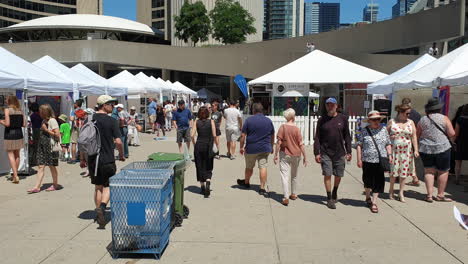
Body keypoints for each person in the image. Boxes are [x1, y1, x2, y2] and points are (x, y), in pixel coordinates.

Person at [80, 95, 124, 228]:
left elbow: (84, 139)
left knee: (98, 187)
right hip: (107, 159)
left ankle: (99, 212)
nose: (112, 106)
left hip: (93, 159)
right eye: (111, 104)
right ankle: (103, 207)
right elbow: (118, 141)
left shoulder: (89, 118)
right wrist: (121, 155)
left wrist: (82, 158)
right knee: (109, 185)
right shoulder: (111, 121)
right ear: (104, 105)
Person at [313, 97, 352, 210]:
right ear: (326, 106)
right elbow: (317, 138)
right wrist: (317, 153)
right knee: (327, 174)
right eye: (328, 105)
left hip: (339, 152)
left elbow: (347, 136)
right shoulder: (322, 120)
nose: (330, 107)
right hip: (325, 152)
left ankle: (335, 190)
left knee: (338, 175)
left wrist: (349, 151)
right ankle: (329, 198)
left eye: (332, 105)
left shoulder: (343, 119)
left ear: (336, 106)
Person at [417, 98, 455, 203]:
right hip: (443, 148)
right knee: (443, 171)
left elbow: (417, 134)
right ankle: (440, 195)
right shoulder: (444, 118)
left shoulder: (423, 119)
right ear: (439, 108)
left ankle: (429, 195)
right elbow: (452, 133)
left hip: (426, 148)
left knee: (429, 171)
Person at [357, 111, 392, 213]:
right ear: (369, 121)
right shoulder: (364, 131)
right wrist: (359, 159)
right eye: (374, 119)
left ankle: (374, 202)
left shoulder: (384, 130)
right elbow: (359, 145)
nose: (376, 121)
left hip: (380, 160)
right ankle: (368, 196)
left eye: (378, 119)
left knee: (378, 181)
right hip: (367, 160)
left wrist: (389, 155)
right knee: (367, 180)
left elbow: (388, 143)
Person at [237, 103, 275, 195]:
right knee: (263, 167)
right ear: (262, 110)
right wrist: (271, 146)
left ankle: (246, 182)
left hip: (251, 148)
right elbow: (272, 135)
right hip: (265, 148)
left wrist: (241, 147)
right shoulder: (268, 121)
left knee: (249, 167)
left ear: (253, 110)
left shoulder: (249, 120)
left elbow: (242, 135)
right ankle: (262, 188)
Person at [273, 108, 308, 206]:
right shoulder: (297, 129)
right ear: (293, 117)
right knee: (294, 175)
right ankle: (293, 193)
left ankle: (285, 197)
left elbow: (279, 142)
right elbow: (301, 144)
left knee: (285, 175)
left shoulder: (282, 127)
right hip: (296, 154)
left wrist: (275, 155)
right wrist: (305, 156)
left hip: (285, 154)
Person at [387, 104, 419, 202]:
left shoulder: (411, 122)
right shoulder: (392, 121)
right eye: (407, 113)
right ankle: (391, 190)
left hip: (407, 151)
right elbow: (384, 135)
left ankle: (401, 192)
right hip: (394, 151)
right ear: (400, 112)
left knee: (403, 173)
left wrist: (416, 150)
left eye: (409, 113)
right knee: (393, 172)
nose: (408, 115)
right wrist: (390, 137)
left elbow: (414, 136)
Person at [28, 104, 60, 193]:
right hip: (42, 145)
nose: (39, 113)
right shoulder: (44, 120)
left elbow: (57, 134)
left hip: (50, 146)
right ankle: (37, 187)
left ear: (44, 112)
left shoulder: (52, 120)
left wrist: (46, 130)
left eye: (40, 111)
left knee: (52, 166)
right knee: (40, 165)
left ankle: (55, 184)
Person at [191, 106, 218, 198]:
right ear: (208, 113)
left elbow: (192, 135)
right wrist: (215, 145)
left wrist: (195, 144)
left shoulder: (196, 122)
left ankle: (202, 186)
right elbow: (214, 135)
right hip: (208, 145)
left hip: (199, 145)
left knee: (199, 166)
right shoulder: (211, 121)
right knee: (208, 165)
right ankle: (208, 181)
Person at [0, 96, 25, 184]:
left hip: (9, 134)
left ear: (10, 101)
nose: (6, 101)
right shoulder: (20, 110)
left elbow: (7, 124)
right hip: (19, 134)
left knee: (11, 155)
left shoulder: (7, 110)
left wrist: (1, 121)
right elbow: (24, 124)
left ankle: (15, 175)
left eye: (6, 99)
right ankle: (15, 175)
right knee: (17, 154)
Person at [454, 105, 468, 185]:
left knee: (458, 162)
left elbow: (456, 132)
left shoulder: (459, 119)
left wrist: (454, 140)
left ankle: (457, 179)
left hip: (461, 142)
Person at [69, 99, 83, 164]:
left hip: (75, 128)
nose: (74, 105)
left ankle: (73, 158)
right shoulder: (83, 111)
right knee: (81, 143)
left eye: (74, 103)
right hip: (82, 128)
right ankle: (81, 158)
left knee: (74, 143)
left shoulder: (74, 111)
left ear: (76, 104)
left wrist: (72, 117)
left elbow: (71, 119)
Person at [29, 102, 42, 167]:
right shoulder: (40, 114)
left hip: (35, 131)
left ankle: (34, 160)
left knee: (34, 146)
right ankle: (38, 160)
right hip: (40, 130)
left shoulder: (32, 115)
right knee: (39, 146)